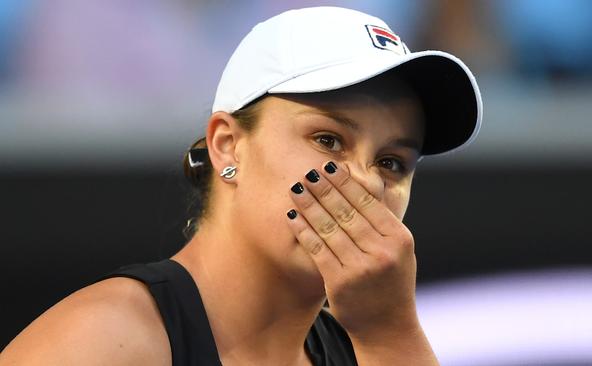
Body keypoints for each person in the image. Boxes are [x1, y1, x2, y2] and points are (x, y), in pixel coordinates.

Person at [0, 6, 481, 366]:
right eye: (329, 139)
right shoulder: (105, 342)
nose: (364, 182)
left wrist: (392, 336)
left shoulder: (368, 347)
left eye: (392, 162)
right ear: (228, 147)